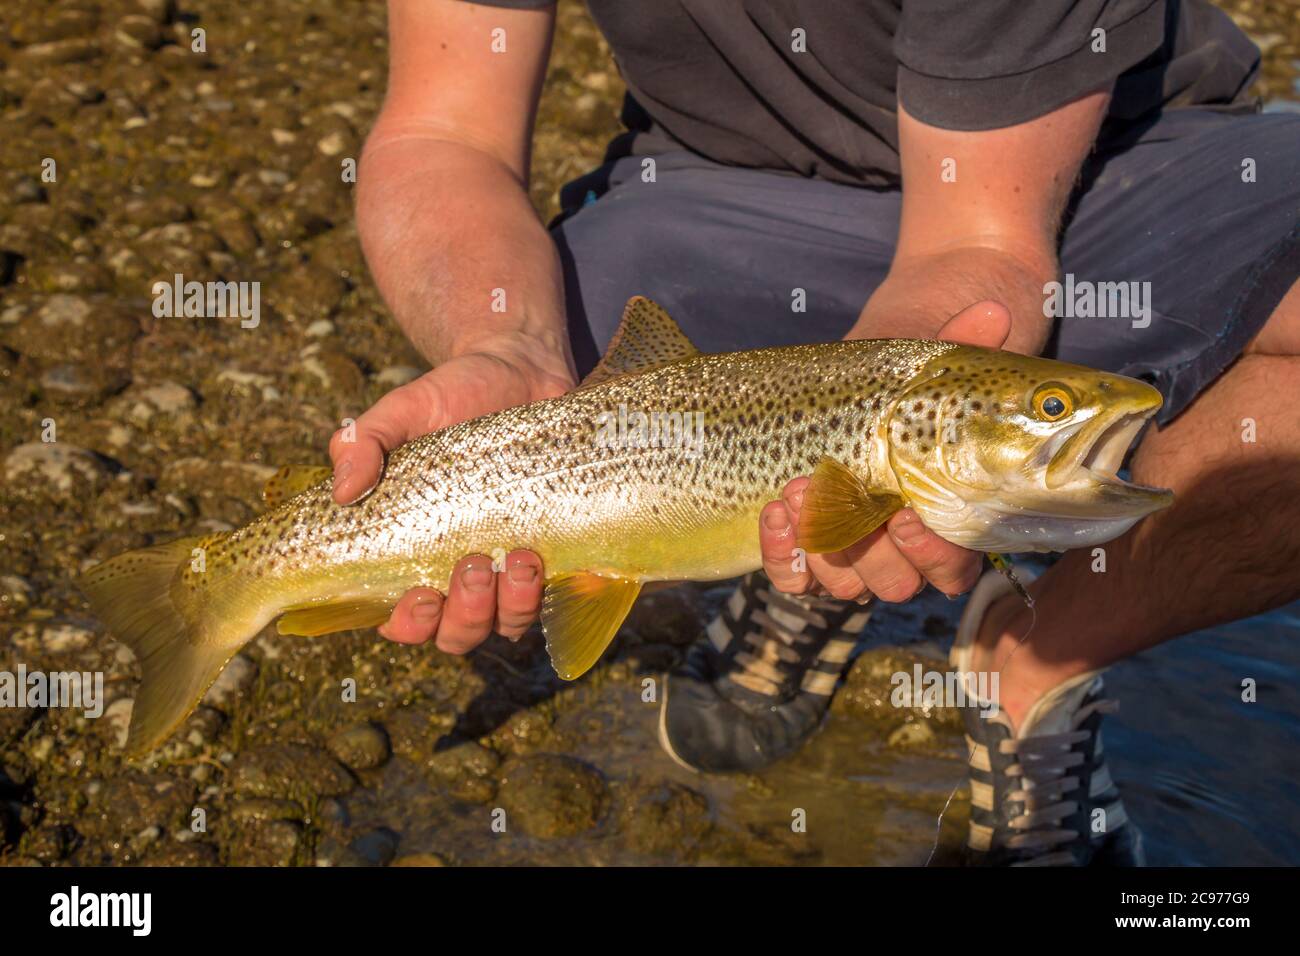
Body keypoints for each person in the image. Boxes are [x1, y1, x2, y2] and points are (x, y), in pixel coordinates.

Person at [331, 0, 1300, 865]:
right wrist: (507, 339)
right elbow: (443, 134)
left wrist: (879, 406)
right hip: (722, 187)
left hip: (1099, 165)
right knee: (566, 349)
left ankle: (1036, 651)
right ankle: (801, 546)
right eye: (1054, 410)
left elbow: (973, 240)